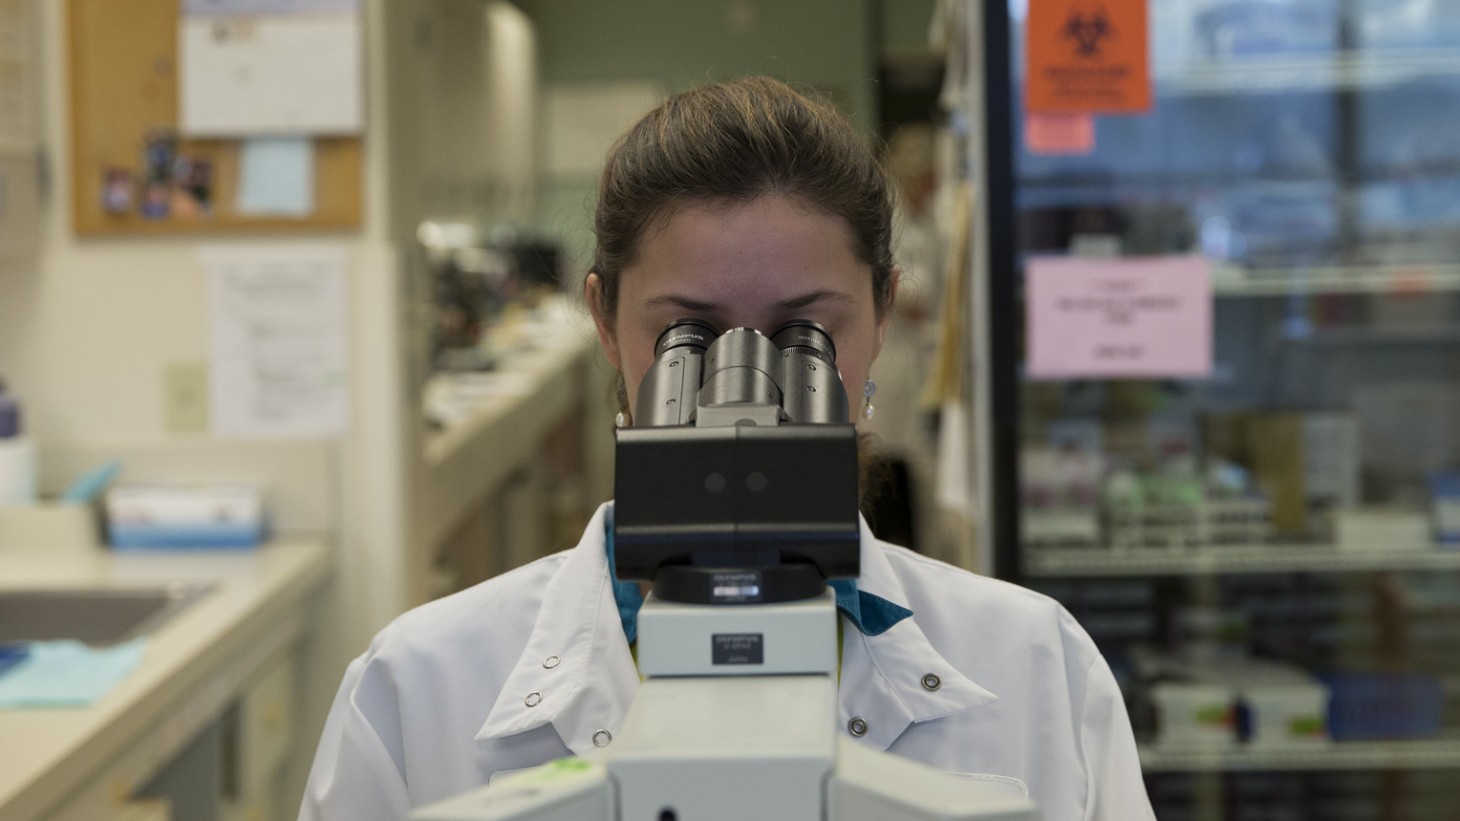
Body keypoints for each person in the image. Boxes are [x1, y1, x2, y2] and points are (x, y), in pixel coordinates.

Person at [299, 76, 1154, 821]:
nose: (746, 386)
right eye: (689, 334)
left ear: (885, 312)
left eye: (803, 332)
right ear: (603, 319)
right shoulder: (416, 690)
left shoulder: (1038, 667)